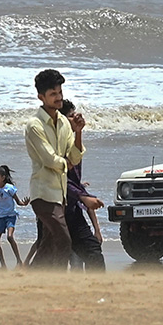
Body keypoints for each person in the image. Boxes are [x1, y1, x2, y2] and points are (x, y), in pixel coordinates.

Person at [24, 69, 84, 269]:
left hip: (60, 194)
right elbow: (50, 159)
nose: (59, 98)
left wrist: (78, 132)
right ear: (41, 97)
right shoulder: (35, 125)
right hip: (42, 193)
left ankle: (29, 281)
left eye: (60, 93)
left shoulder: (65, 124)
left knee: (48, 246)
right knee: (64, 240)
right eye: (53, 94)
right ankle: (56, 283)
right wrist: (67, 163)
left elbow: (75, 156)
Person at [59, 99, 104, 271]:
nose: (76, 117)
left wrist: (78, 132)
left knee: (92, 253)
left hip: (71, 207)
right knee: (52, 256)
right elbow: (58, 176)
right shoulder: (54, 142)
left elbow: (75, 159)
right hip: (55, 206)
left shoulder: (71, 139)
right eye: (71, 116)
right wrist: (82, 195)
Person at [0, 165, 29, 269]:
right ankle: (3, 265)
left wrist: (24, 204)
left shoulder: (9, 188)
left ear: (3, 177)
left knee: (10, 237)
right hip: (0, 217)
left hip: (10, 216)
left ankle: (19, 261)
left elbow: (18, 201)